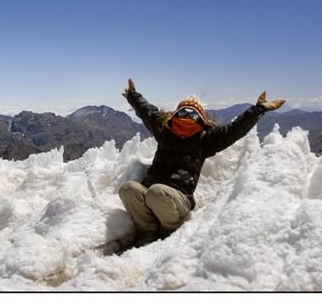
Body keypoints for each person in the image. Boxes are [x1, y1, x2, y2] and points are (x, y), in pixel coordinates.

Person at [119, 78, 285, 247]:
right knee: (128, 189)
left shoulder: (206, 140)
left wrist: (258, 109)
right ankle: (148, 228)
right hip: (152, 190)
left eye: (192, 114)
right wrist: (133, 95)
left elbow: (235, 129)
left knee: (157, 192)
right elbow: (147, 111)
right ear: (176, 114)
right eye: (183, 112)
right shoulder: (164, 129)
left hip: (179, 198)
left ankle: (170, 229)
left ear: (200, 118)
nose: (187, 117)